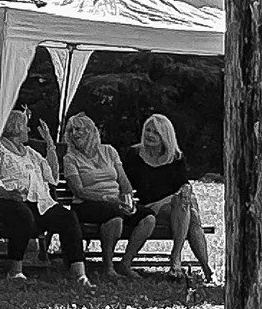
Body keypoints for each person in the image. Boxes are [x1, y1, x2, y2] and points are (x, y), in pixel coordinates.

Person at [0, 108, 87, 286]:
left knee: (68, 217)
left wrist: (50, 143)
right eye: (25, 126)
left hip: (35, 203)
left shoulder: (31, 153)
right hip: (0, 201)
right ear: (14, 128)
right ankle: (15, 271)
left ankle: (79, 274)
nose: (28, 130)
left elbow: (52, 175)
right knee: (22, 214)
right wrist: (8, 194)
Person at [122, 114, 214, 282]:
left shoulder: (176, 157)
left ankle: (196, 264)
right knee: (187, 210)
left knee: (188, 211)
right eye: (148, 130)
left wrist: (185, 190)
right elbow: (124, 183)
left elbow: (184, 183)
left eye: (156, 132)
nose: (150, 135)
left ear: (165, 136)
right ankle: (181, 259)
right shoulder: (134, 154)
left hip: (174, 208)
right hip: (147, 206)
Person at [58, 112, 137, 277]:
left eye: (78, 129)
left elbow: (125, 183)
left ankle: (126, 263)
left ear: (91, 131)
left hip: (115, 203)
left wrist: (128, 201)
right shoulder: (70, 158)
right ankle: (108, 267)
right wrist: (105, 198)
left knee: (147, 217)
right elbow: (78, 191)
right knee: (115, 215)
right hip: (86, 203)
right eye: (71, 130)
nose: (74, 134)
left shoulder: (109, 151)